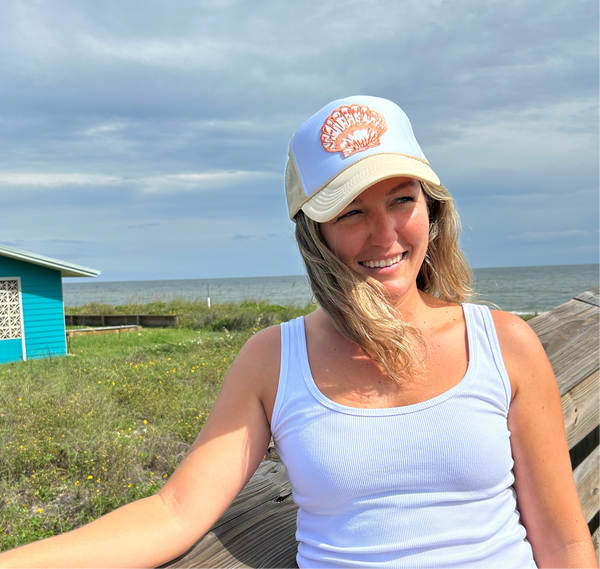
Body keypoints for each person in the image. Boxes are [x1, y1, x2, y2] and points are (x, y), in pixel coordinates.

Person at [2, 96, 598, 569]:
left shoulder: (504, 342)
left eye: (402, 199)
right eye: (351, 212)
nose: (385, 234)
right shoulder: (273, 359)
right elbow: (175, 510)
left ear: (433, 210)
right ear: (314, 234)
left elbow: (565, 545)